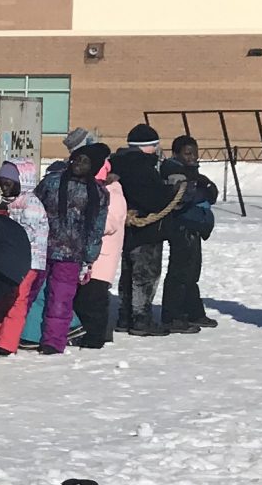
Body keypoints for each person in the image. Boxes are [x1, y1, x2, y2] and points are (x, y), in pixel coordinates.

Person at [34, 141, 108, 355]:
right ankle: (24, 335)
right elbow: (35, 207)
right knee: (32, 293)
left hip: (71, 256)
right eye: (76, 159)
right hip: (41, 249)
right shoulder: (52, 182)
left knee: (60, 299)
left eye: (85, 162)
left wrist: (90, 257)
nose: (78, 164)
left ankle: (53, 341)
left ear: (93, 167)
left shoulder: (99, 193)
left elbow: (96, 227)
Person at [109, 124, 181, 336]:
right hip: (146, 229)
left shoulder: (118, 164)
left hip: (125, 229)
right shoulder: (142, 167)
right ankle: (141, 319)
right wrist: (173, 190)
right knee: (146, 275)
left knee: (127, 273)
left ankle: (124, 316)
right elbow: (153, 198)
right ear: (148, 147)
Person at [0, 164, 46, 356]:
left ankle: (7, 343)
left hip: (30, 260)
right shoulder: (11, 203)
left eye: (8, 183)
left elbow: (25, 234)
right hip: (11, 260)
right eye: (1, 183)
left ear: (22, 182)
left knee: (17, 300)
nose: (4, 188)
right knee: (2, 298)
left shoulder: (32, 203)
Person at [160, 135, 219, 332]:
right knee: (179, 272)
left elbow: (212, 193)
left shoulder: (193, 173)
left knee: (192, 272)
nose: (193, 157)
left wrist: (203, 186)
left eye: (195, 153)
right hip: (181, 227)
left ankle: (194, 311)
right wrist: (201, 187)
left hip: (195, 227)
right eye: (187, 153)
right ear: (176, 154)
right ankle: (172, 316)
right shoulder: (172, 171)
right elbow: (185, 197)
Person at [80, 144, 125, 349]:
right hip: (88, 255)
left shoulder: (114, 193)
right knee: (84, 297)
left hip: (103, 257)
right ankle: (87, 332)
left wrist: (83, 218)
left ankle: (98, 336)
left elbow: (110, 223)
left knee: (96, 299)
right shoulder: (92, 190)